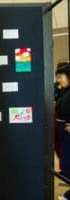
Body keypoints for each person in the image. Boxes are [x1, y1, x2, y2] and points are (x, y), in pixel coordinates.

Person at [55, 63, 70, 200]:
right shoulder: (64, 91)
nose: (59, 80)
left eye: (61, 77)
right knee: (65, 162)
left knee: (67, 162)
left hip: (67, 130)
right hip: (63, 129)